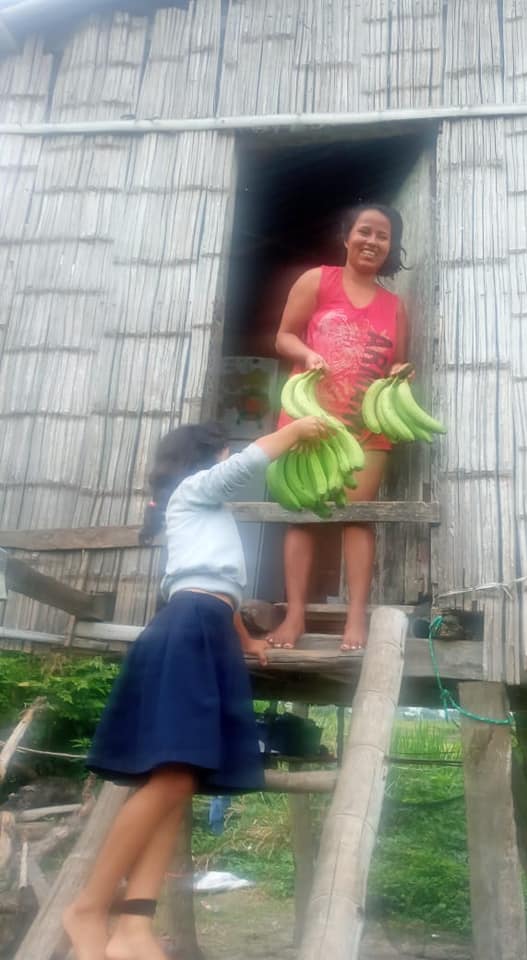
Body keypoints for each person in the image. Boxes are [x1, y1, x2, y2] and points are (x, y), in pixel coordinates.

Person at [63, 415, 327, 960]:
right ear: (211, 458)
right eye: (225, 453)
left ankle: (134, 926)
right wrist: (295, 431)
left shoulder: (206, 514)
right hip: (187, 631)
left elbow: (217, 589)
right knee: (170, 780)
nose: (231, 460)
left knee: (179, 782)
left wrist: (247, 641)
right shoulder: (193, 491)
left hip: (208, 631)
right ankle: (88, 907)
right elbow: (243, 470)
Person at [270, 203, 410, 652]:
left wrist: (401, 373)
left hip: (367, 427)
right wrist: (307, 354)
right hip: (309, 419)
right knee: (303, 516)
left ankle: (355, 618)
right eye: (365, 231)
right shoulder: (318, 281)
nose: (373, 241)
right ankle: (294, 615)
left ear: (390, 247)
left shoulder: (394, 306)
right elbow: (284, 336)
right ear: (347, 236)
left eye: (383, 236)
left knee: (357, 518)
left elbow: (398, 361)